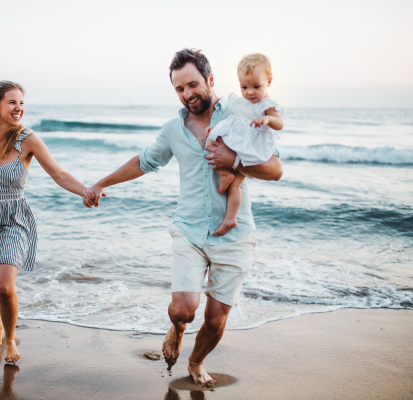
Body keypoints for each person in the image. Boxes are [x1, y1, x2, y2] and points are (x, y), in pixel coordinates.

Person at [84, 49, 282, 388]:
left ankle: (195, 361)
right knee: (183, 309)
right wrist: (101, 183)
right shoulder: (172, 130)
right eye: (179, 89)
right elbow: (144, 162)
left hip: (234, 234)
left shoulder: (240, 112)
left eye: (193, 84)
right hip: (189, 230)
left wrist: (233, 160)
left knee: (216, 319)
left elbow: (275, 169)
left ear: (210, 80)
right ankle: (175, 329)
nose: (188, 94)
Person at [0, 81, 89, 365]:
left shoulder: (28, 140)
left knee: (4, 287)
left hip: (13, 219)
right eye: (12, 102)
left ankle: (9, 338)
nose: (18, 107)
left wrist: (87, 191)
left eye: (21, 103)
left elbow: (59, 174)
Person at [207, 53, 284, 236]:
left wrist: (268, 118)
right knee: (211, 140)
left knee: (235, 185)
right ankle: (225, 176)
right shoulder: (242, 102)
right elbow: (237, 121)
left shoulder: (267, 104)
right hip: (241, 139)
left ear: (269, 82)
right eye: (244, 87)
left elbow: (280, 124)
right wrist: (219, 128)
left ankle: (229, 218)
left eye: (256, 86)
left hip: (253, 145)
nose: (250, 92)